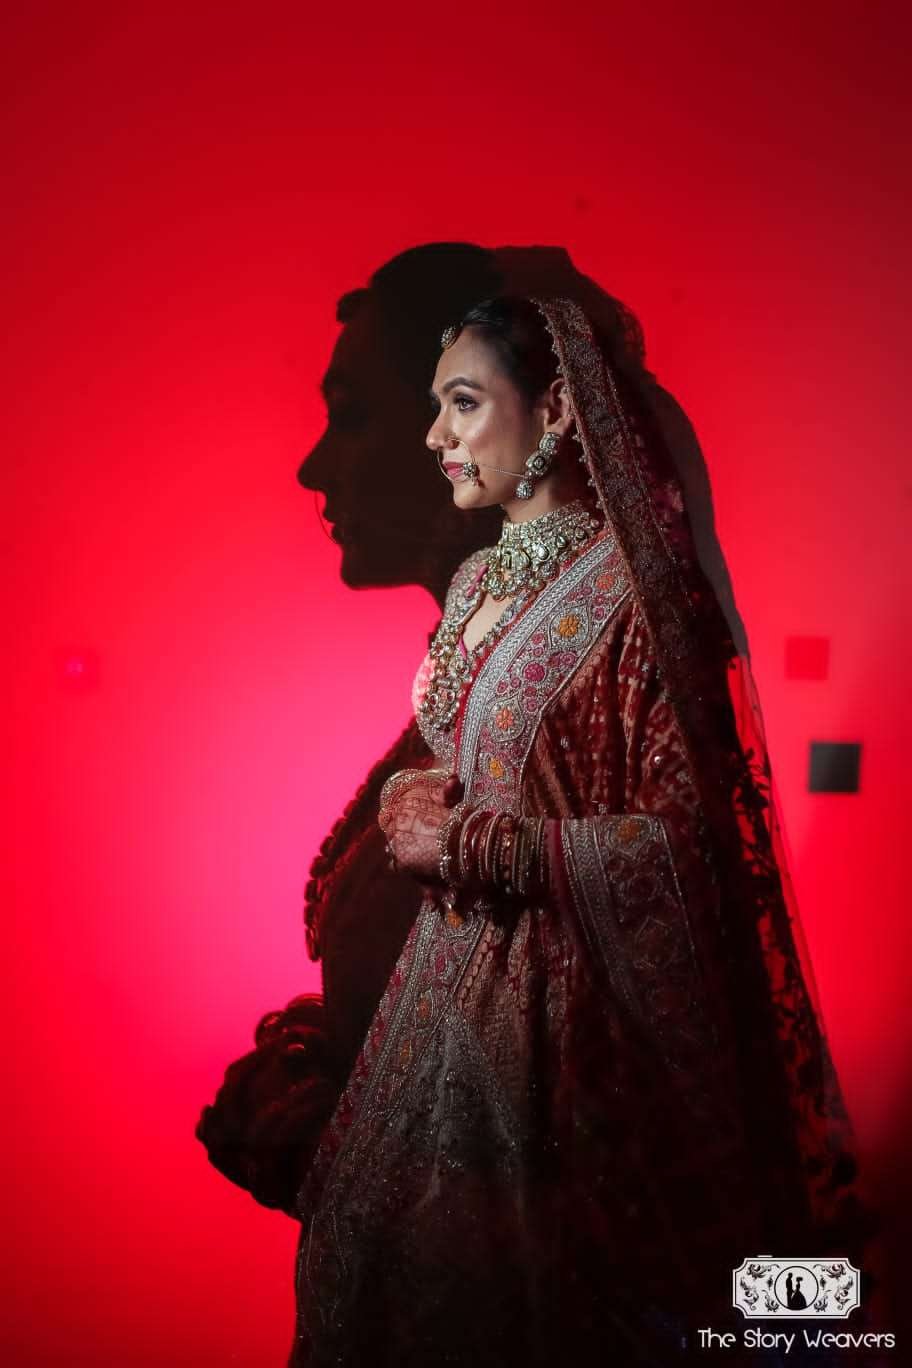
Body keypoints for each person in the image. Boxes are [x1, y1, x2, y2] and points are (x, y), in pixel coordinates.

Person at [286, 294, 876, 1366]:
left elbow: (687, 848)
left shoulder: (644, 599)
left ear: (555, 409)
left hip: (575, 1040)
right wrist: (411, 798)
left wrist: (471, 847)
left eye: (465, 403)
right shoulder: (475, 581)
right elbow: (486, 757)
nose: (436, 435)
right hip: (443, 1012)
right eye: (434, 407)